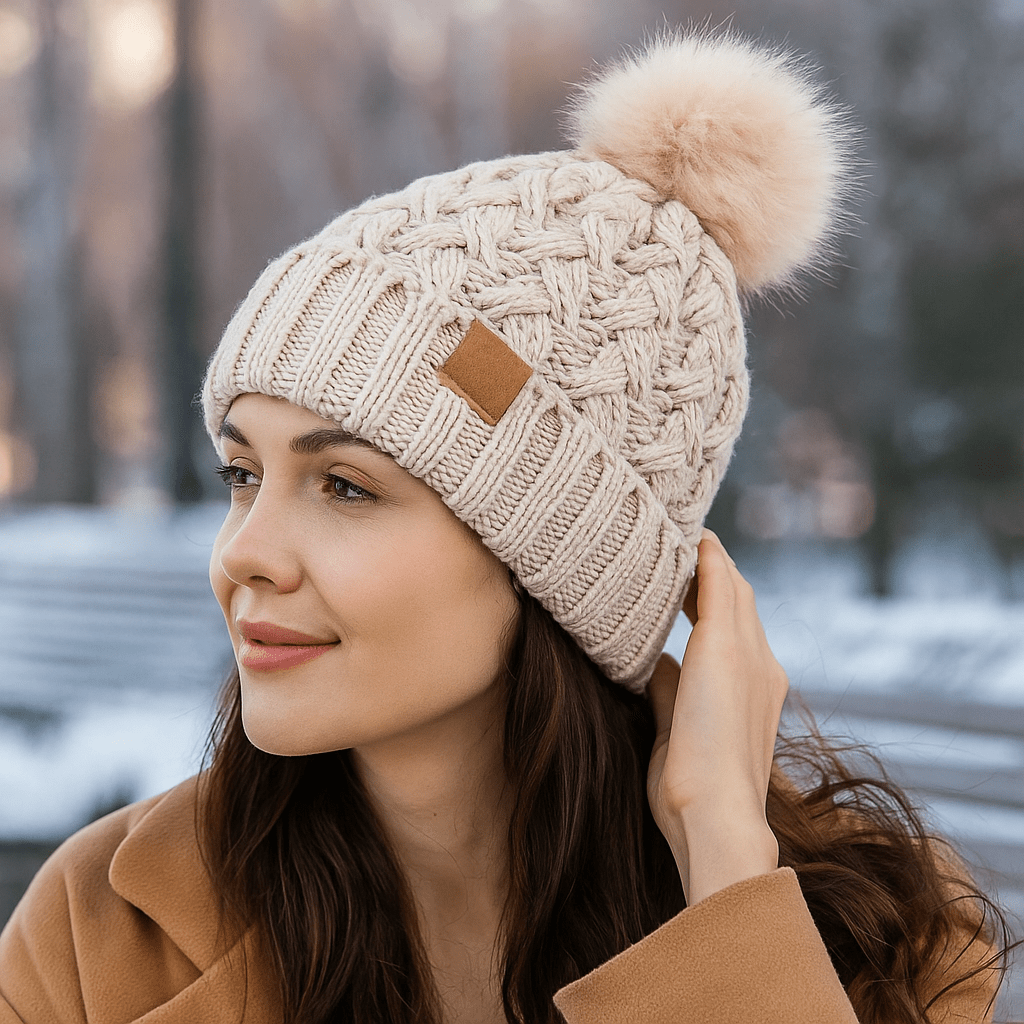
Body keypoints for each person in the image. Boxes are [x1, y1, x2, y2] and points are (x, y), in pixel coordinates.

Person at [0, 30, 1012, 1024]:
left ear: (558, 562)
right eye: (241, 472)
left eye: (345, 484)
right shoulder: (98, 936)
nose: (242, 554)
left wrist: (724, 869)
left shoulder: (883, 949)